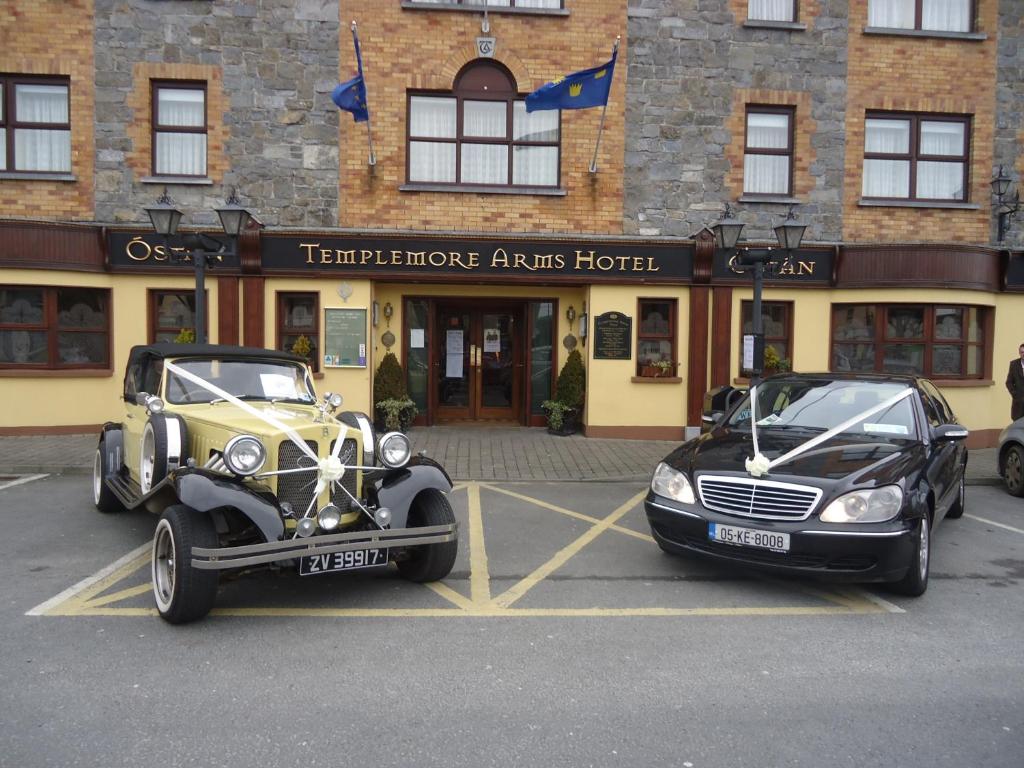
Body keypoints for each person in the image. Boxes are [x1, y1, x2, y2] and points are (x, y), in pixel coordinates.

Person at [1007, 342, 1024, 422]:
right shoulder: (1014, 364)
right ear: (1019, 353)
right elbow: (1009, 382)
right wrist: (1014, 394)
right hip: (1018, 404)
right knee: (1017, 426)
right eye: (1022, 352)